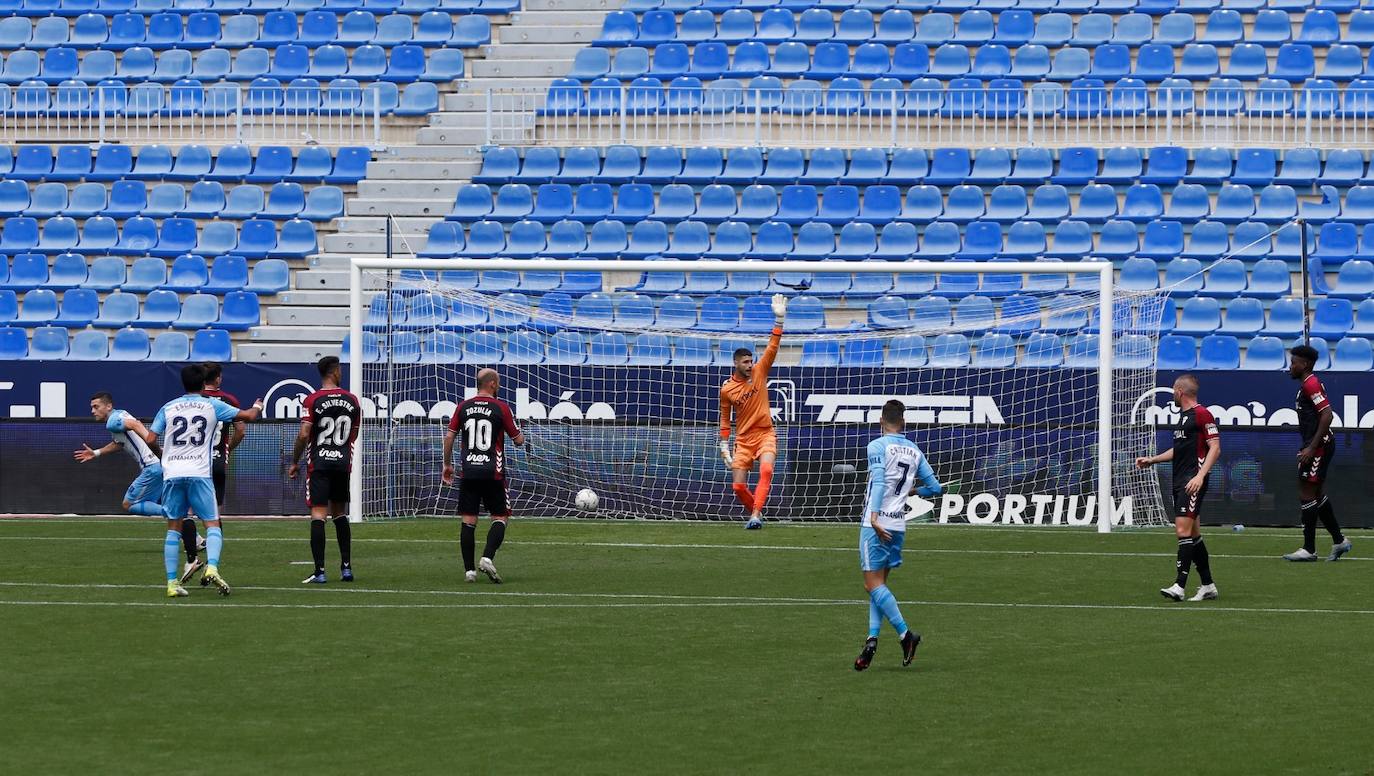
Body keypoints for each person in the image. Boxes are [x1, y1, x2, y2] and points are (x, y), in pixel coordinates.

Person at [143, 364, 263, 598]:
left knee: (173, 528)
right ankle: (212, 567)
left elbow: (149, 438)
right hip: (199, 472)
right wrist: (257, 406)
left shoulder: (168, 407)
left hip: (173, 472)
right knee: (212, 524)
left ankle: (171, 584)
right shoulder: (211, 404)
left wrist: (163, 456)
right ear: (203, 384)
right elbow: (248, 416)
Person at [854, 399, 940, 672]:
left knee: (872, 585)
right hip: (899, 526)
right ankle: (871, 641)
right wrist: (912, 492)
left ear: (881, 421)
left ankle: (906, 636)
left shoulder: (877, 446)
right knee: (880, 586)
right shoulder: (915, 451)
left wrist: (875, 516)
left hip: (876, 524)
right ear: (903, 422)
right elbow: (935, 488)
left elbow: (879, 481)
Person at [75, 393, 201, 574]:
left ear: (108, 406)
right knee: (158, 502)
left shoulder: (112, 421)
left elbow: (135, 425)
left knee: (129, 503)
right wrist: (96, 453)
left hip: (153, 467)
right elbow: (120, 443)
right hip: (159, 465)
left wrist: (151, 442)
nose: (92, 410)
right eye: (92, 407)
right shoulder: (119, 416)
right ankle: (195, 538)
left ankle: (174, 515)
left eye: (96, 406)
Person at [1135, 374, 1221, 602]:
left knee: (1182, 531)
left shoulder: (1202, 414)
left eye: (1174, 390)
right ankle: (1208, 585)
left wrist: (1200, 476)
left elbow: (1215, 447)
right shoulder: (1183, 418)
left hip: (1192, 481)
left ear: (1180, 392)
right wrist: (1152, 460)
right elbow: (1180, 451)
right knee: (1193, 534)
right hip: (1180, 479)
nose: (1173, 393)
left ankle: (1179, 586)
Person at [442, 368, 526, 584]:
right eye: (497, 383)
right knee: (501, 517)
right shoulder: (501, 408)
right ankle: (487, 557)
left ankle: (469, 571)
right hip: (493, 473)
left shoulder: (463, 406)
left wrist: (447, 464)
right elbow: (518, 440)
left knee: (469, 520)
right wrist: (520, 434)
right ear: (491, 384)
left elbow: (449, 437)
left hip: (468, 471)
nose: (498, 386)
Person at [288, 356, 362, 584]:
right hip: (342, 462)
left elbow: (303, 434)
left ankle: (320, 571)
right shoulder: (352, 400)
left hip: (319, 463)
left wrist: (294, 460)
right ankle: (346, 568)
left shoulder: (312, 401)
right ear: (336, 372)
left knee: (319, 514)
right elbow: (354, 434)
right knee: (339, 513)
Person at [719, 294, 787, 529]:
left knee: (766, 469)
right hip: (744, 439)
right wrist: (724, 446)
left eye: (751, 361)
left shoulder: (760, 371)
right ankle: (755, 513)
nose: (750, 365)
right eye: (746, 362)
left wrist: (779, 320)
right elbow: (725, 418)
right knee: (737, 487)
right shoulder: (727, 390)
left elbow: (773, 346)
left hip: (765, 433)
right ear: (736, 363)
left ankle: (756, 514)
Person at [1282, 344, 1352, 562]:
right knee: (1316, 493)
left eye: (1294, 363)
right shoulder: (1307, 384)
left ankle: (1309, 549)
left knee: (1306, 492)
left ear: (1305, 365)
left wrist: (1312, 448)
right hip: (1315, 444)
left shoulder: (1311, 384)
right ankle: (1339, 541)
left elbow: (1327, 414)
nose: (1290, 367)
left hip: (1318, 446)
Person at [200, 362, 245, 511]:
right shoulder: (229, 400)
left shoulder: (193, 400)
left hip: (196, 459)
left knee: (191, 504)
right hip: (218, 459)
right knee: (216, 506)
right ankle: (214, 534)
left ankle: (190, 533)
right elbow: (240, 431)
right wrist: (227, 449)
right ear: (218, 379)